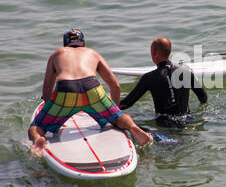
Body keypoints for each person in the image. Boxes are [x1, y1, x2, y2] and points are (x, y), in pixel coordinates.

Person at [29, 29, 152, 157]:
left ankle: (38, 139)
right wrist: (113, 113)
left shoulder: (57, 54)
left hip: (66, 89)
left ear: (64, 44)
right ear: (84, 43)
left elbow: (47, 89)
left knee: (36, 126)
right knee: (118, 117)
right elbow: (115, 85)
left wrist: (51, 113)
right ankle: (133, 127)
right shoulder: (93, 53)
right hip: (91, 88)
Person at [120, 37, 207, 127]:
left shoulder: (149, 78)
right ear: (169, 51)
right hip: (188, 121)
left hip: (164, 127)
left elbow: (125, 104)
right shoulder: (186, 70)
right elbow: (203, 97)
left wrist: (108, 104)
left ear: (153, 53)